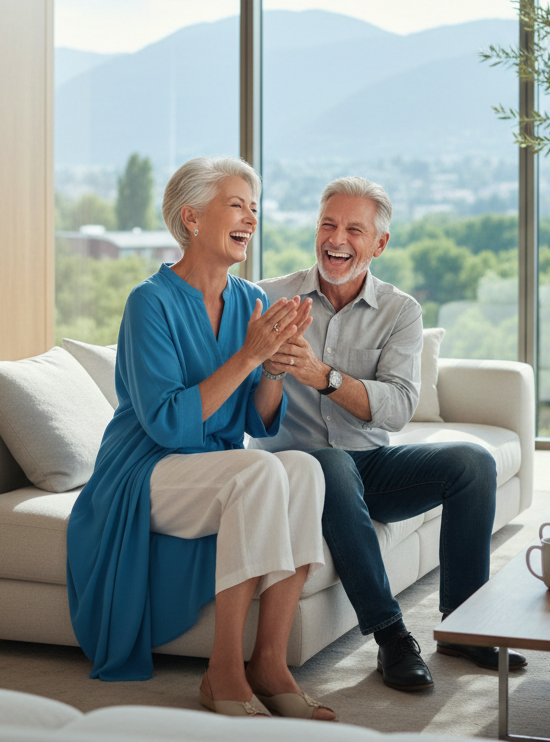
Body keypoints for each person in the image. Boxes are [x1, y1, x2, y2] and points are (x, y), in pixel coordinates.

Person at [66, 156, 336, 720]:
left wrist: (274, 370)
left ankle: (269, 661)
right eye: (236, 204)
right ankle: (223, 670)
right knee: (260, 470)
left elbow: (258, 421)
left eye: (254, 207)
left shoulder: (249, 302)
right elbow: (165, 422)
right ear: (191, 218)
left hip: (212, 467)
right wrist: (249, 355)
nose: (250, 218)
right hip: (144, 470)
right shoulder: (150, 303)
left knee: (304, 469)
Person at [253, 176, 527, 691]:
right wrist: (271, 369)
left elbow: (399, 409)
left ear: (379, 244)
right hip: (294, 470)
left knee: (473, 462)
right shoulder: (269, 299)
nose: (337, 239)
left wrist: (324, 377)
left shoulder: (401, 312)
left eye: (354, 229)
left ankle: (464, 626)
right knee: (327, 464)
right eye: (328, 224)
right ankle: (391, 635)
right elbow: (251, 412)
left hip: (370, 464)